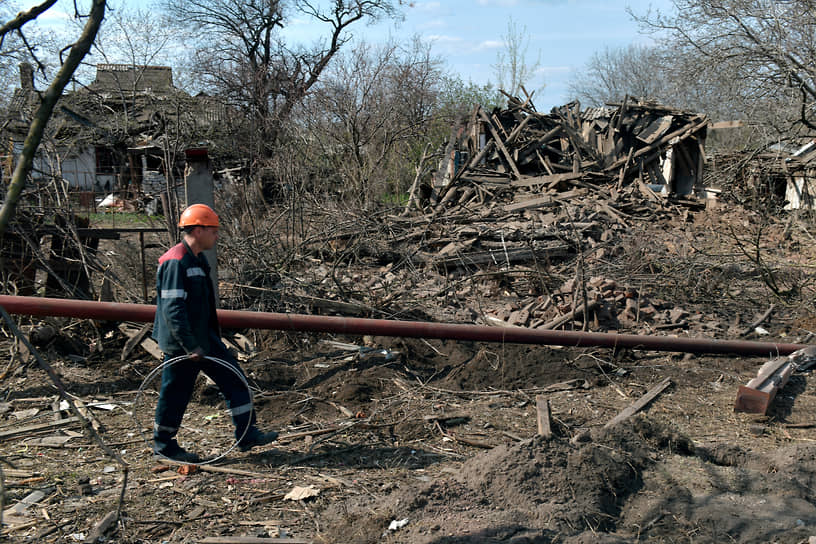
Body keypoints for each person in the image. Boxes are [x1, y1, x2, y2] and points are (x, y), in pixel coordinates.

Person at [151, 203, 278, 463]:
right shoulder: (176, 261)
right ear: (198, 230)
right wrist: (189, 346)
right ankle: (164, 446)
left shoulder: (196, 259)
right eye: (213, 230)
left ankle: (247, 434)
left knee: (236, 379)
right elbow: (173, 309)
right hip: (183, 344)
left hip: (204, 338)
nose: (216, 236)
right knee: (175, 394)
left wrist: (208, 338)